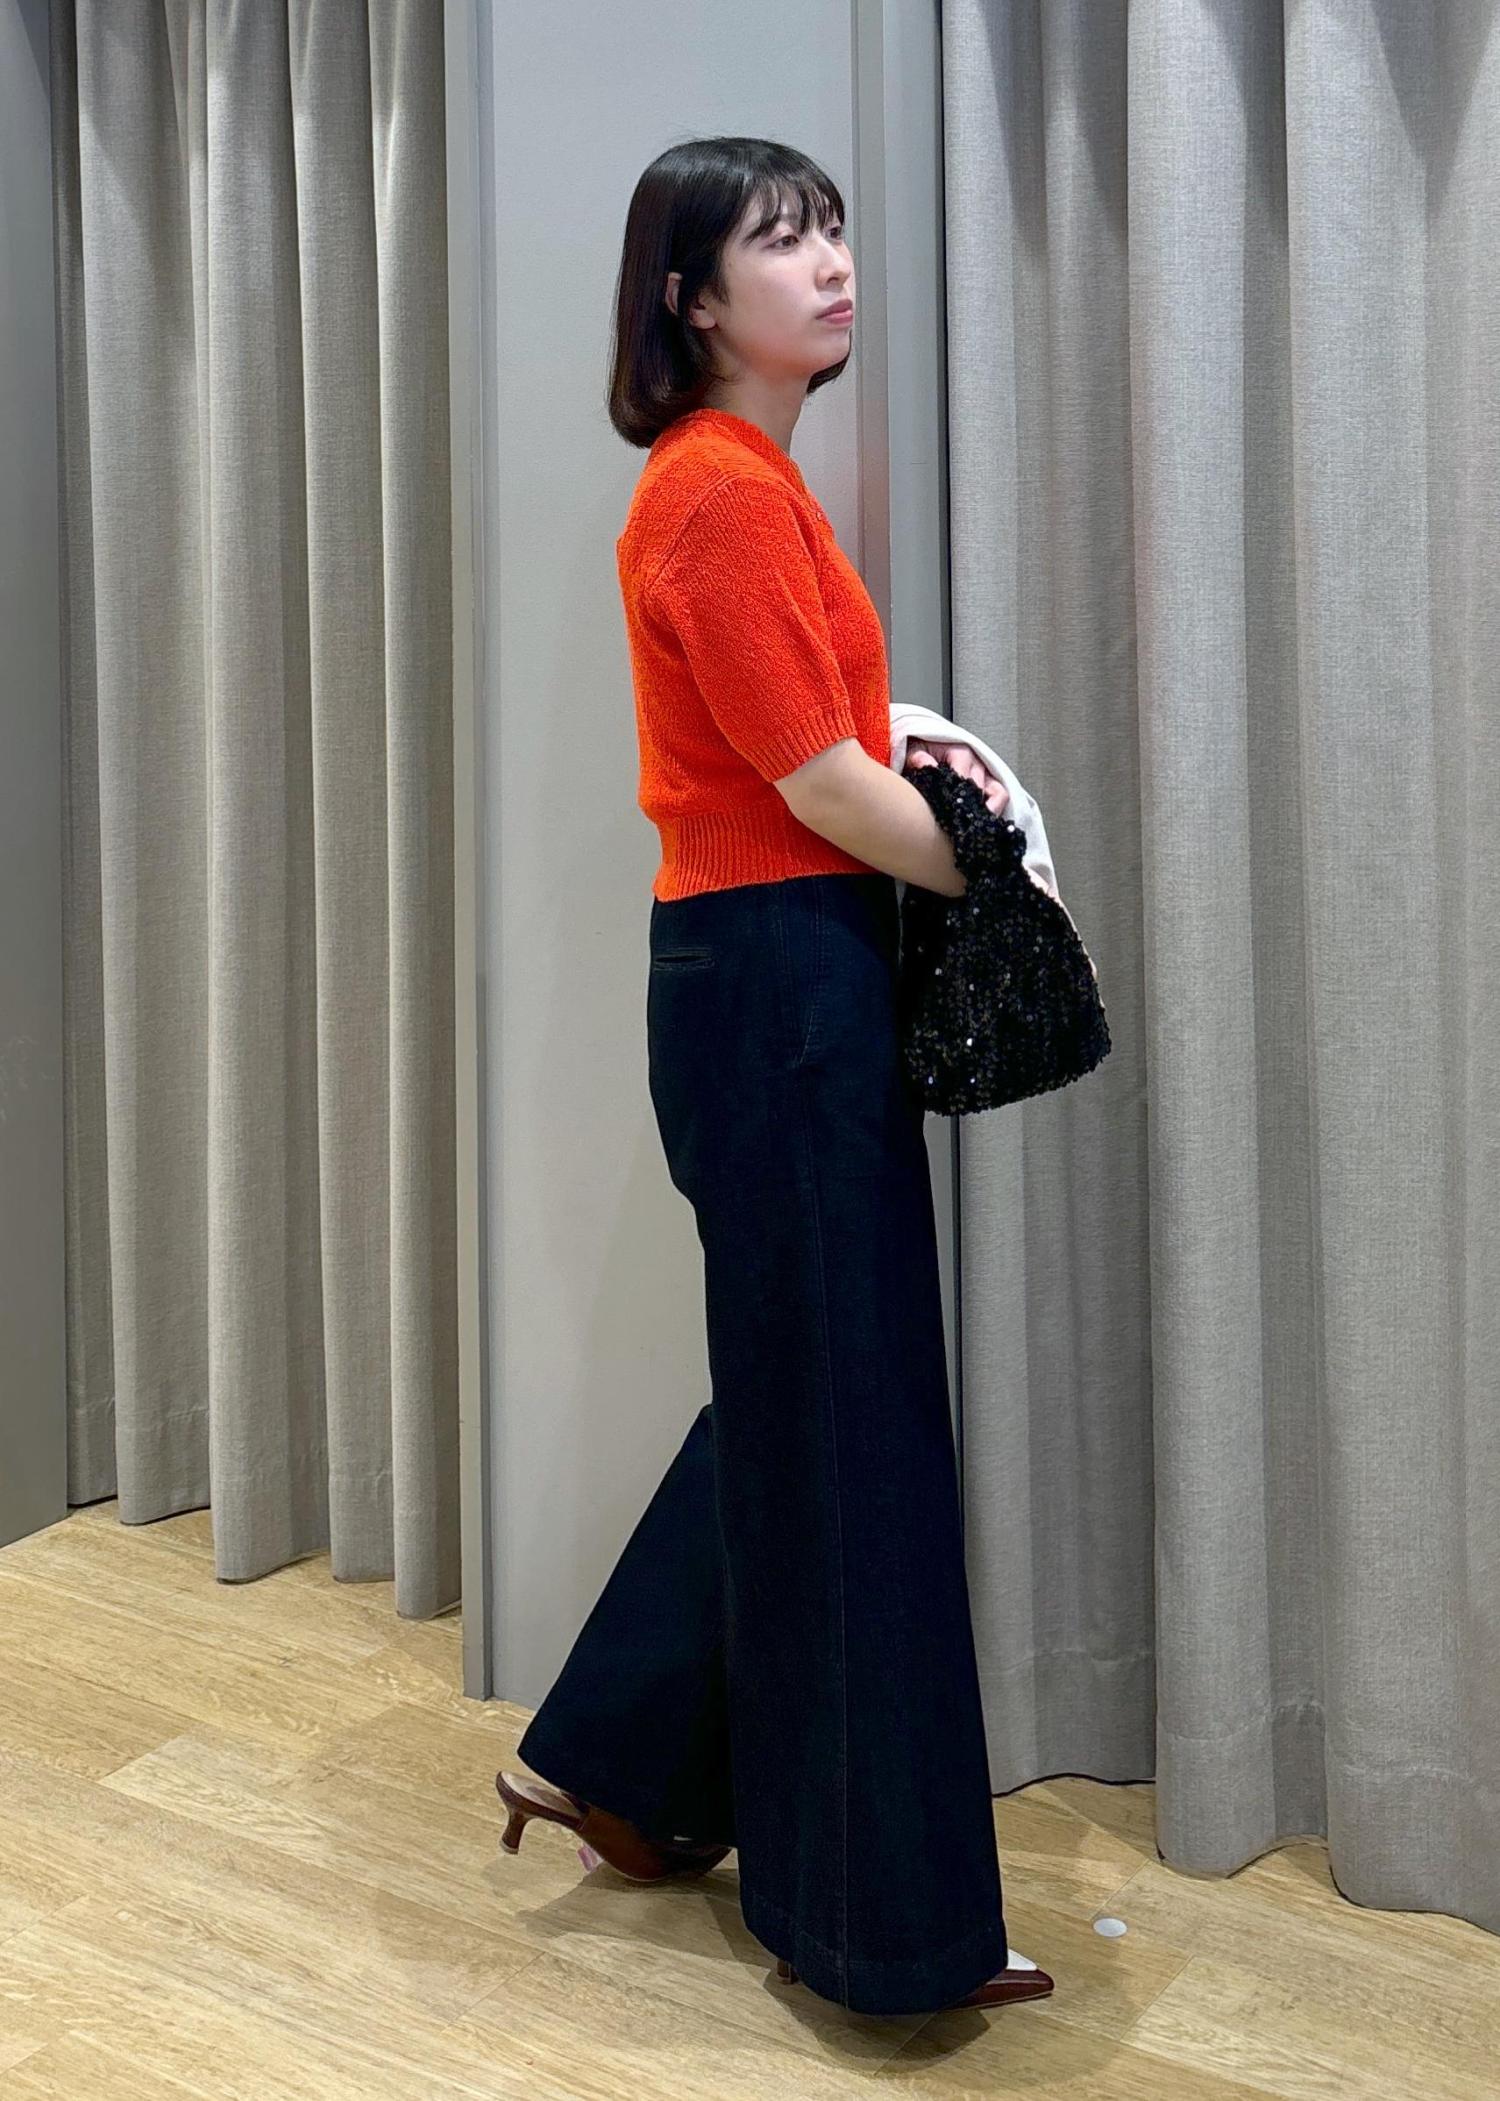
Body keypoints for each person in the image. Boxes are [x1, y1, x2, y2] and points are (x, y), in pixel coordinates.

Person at [495, 135, 1054, 2020]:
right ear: (690, 296)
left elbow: (817, 752)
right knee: (847, 1419)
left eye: (830, 230)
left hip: (773, 975)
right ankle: (878, 1929)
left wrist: (932, 805)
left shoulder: (741, 481)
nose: (829, 264)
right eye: (779, 241)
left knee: (815, 1391)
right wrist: (999, 868)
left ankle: (618, 1756)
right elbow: (817, 785)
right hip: (776, 978)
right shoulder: (719, 493)